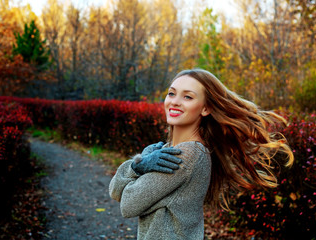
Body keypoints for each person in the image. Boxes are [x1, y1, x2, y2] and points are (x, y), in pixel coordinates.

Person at [109, 69, 294, 240]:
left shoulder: (186, 154)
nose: (174, 101)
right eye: (171, 93)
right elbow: (115, 191)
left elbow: (128, 205)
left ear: (206, 108)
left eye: (188, 97)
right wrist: (137, 164)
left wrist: (139, 169)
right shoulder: (166, 150)